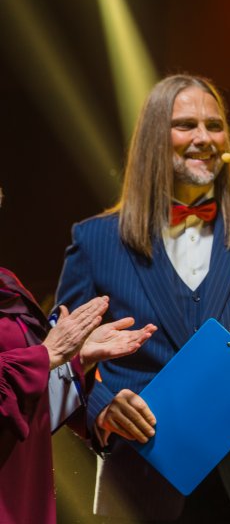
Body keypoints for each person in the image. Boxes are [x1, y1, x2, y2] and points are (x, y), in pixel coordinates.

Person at [55, 74, 230, 523]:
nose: (204, 138)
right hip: (140, 482)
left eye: (214, 125)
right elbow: (58, 356)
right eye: (186, 125)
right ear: (152, 139)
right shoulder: (95, 240)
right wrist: (102, 405)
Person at [1, 188, 155, 524]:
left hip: (24, 489)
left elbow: (25, 409)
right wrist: (48, 353)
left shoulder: (6, 284)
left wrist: (76, 357)